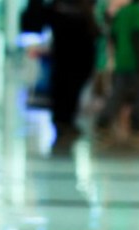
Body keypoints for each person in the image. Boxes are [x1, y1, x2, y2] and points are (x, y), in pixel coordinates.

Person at [41, 0, 100, 142]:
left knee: (66, 91)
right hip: (72, 61)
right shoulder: (78, 16)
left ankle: (64, 121)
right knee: (67, 91)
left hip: (69, 61)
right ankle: (63, 122)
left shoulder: (65, 13)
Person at [95, 0, 139, 136]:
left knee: (118, 92)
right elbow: (137, 36)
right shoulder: (138, 11)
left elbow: (113, 35)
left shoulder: (121, 12)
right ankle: (138, 121)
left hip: (121, 59)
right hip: (136, 60)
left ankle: (104, 119)